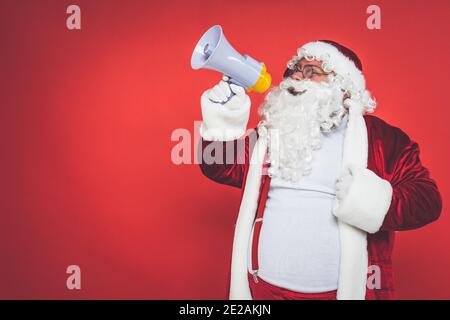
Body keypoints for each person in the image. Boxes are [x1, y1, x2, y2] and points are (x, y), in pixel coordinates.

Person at [198, 40, 442, 300]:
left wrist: (366, 198)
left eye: (311, 71)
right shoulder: (272, 132)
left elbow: (427, 201)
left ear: (344, 87)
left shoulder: (383, 140)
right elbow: (220, 166)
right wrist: (223, 119)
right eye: (294, 70)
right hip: (263, 291)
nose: (296, 78)